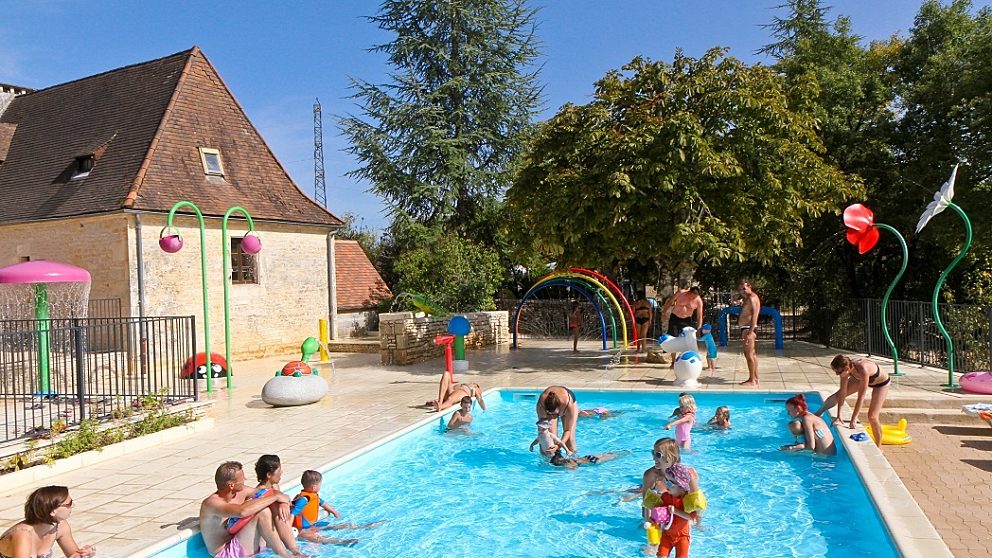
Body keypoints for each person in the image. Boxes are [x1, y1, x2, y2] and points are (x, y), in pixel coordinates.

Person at [200, 461, 296, 558]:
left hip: (241, 542)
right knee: (263, 512)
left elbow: (269, 493)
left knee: (273, 503)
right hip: (226, 553)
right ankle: (285, 555)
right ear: (231, 485)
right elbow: (242, 512)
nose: (245, 479)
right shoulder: (211, 504)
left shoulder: (240, 491)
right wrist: (275, 497)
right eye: (242, 479)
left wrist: (282, 502)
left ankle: (294, 549)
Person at [815, 355, 891, 448]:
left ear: (846, 368)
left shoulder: (863, 369)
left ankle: (879, 446)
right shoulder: (846, 369)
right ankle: (818, 413)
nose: (837, 375)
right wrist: (839, 416)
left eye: (838, 372)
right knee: (838, 395)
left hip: (881, 384)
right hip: (858, 378)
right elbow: (842, 394)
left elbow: (861, 397)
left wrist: (853, 419)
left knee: (872, 417)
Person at [0, 486, 96, 558]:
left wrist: (84, 553)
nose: (73, 506)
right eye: (69, 503)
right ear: (53, 511)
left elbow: (74, 555)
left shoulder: (60, 526)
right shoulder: (23, 535)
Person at [291, 470, 382, 545]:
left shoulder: (313, 496)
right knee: (318, 538)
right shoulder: (303, 499)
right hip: (302, 529)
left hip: (312, 524)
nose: (320, 487)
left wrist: (334, 512)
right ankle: (341, 542)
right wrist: (288, 530)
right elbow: (293, 513)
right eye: (320, 485)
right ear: (314, 487)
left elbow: (323, 504)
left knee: (334, 526)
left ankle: (363, 527)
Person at [252, 455, 310, 557]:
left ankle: (294, 550)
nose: (281, 472)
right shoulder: (260, 493)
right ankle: (295, 550)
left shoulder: (273, 486)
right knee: (277, 507)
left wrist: (283, 502)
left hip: (276, 537)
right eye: (279, 470)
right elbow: (279, 497)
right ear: (269, 474)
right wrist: (281, 502)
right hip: (263, 543)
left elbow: (283, 497)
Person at [661, 284, 704, 367]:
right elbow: (670, 302)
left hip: (687, 320)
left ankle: (685, 360)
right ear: (689, 292)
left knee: (687, 339)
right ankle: (673, 361)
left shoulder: (698, 301)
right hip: (675, 318)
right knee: (673, 338)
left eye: (694, 297)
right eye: (692, 296)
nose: (692, 299)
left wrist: (699, 328)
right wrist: (664, 312)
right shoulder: (681, 293)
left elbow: (699, 316)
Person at [536, 386, 580, 454]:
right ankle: (546, 462)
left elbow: (567, 430)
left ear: (559, 408)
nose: (551, 416)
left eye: (554, 413)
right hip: (551, 405)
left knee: (569, 441)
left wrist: (558, 446)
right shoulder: (541, 404)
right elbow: (542, 431)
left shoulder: (568, 405)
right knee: (548, 439)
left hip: (568, 403)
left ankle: (574, 460)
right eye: (549, 413)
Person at [737, 279, 760, 386]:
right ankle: (755, 378)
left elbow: (755, 315)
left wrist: (750, 332)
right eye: (741, 289)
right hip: (746, 328)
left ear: (750, 286)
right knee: (752, 354)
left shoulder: (752, 298)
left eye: (744, 288)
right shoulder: (748, 298)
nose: (743, 291)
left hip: (748, 328)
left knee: (749, 354)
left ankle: (752, 380)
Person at [549, 449, 624, 469]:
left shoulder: (567, 464)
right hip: (588, 457)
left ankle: (624, 454)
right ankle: (623, 451)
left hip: (593, 461)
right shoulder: (568, 458)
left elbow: (574, 468)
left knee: (614, 457)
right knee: (607, 454)